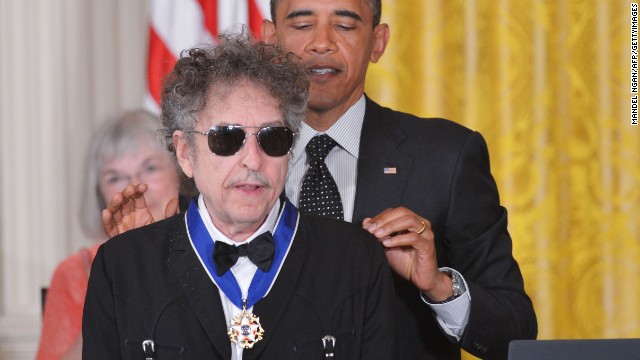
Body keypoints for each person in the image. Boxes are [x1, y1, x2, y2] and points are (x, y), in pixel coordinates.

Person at [104, 1, 538, 358]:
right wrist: (156, 257)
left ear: (378, 41)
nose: (322, 43)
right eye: (302, 22)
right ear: (271, 37)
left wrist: (440, 287)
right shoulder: (218, 152)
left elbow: (515, 331)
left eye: (345, 24)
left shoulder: (446, 157)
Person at [82, 32, 395, 359]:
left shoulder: (354, 259)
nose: (253, 160)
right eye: (228, 139)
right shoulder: (124, 265)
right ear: (186, 152)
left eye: (272, 138)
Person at [36, 110, 180, 360]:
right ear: (98, 194)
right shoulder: (75, 273)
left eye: (150, 168)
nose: (134, 186)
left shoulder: (216, 250)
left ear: (180, 171)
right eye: (116, 177)